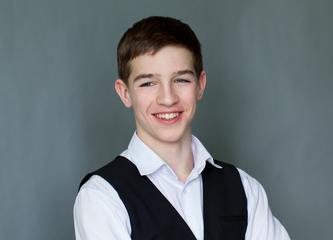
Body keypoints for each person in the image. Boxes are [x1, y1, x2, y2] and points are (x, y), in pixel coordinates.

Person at [73, 16, 290, 240]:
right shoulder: (102, 197)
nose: (168, 99)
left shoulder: (245, 189)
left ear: (200, 85)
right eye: (148, 83)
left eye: (181, 80)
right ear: (125, 93)